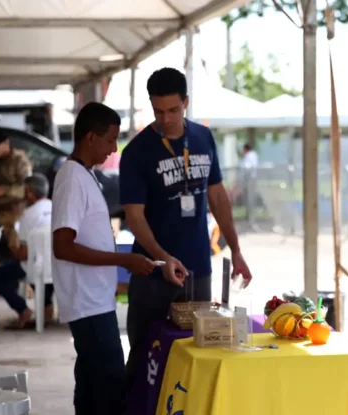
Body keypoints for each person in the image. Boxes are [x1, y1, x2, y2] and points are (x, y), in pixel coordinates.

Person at [120, 67, 253, 386]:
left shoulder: (203, 137)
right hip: (152, 271)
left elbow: (218, 197)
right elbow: (134, 218)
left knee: (197, 351)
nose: (165, 119)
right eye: (158, 111)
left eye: (173, 110)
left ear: (186, 103)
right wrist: (163, 259)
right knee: (145, 356)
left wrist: (236, 250)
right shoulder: (138, 151)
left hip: (197, 270)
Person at [51, 102, 156, 415]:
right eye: (110, 140)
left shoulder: (84, 175)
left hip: (95, 300)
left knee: (90, 384)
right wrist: (122, 261)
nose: (113, 149)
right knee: (110, 386)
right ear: (90, 138)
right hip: (87, 304)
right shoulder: (72, 178)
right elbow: (63, 246)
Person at [0, 173, 54, 329]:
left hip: (38, 268)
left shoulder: (28, 214)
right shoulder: (57, 208)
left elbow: (23, 255)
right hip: (59, 266)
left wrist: (12, 245)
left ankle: (23, 309)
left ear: (28, 192)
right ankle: (47, 308)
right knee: (40, 264)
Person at [0, 129, 33, 253]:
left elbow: (27, 187)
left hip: (13, 213)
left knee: (16, 249)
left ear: (5, 144)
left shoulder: (19, 160)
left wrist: (4, 190)